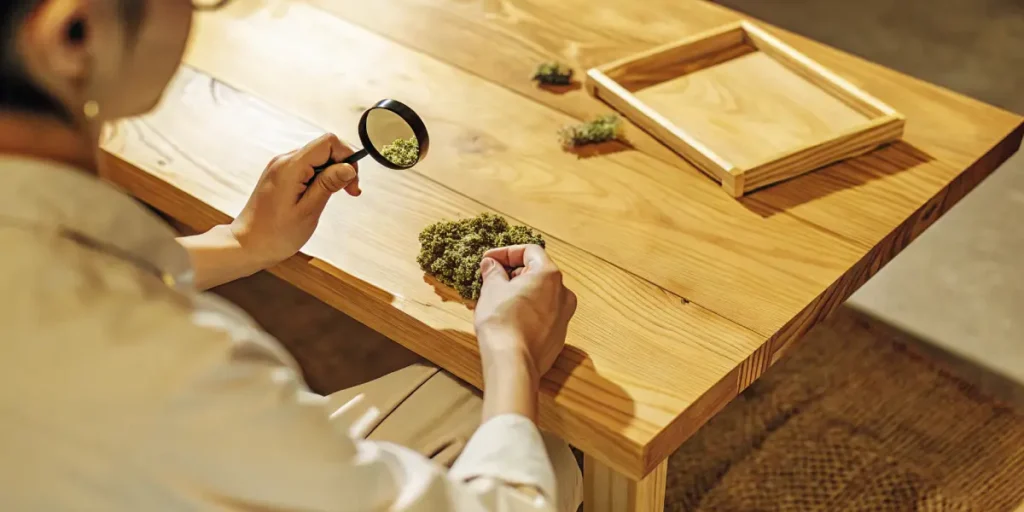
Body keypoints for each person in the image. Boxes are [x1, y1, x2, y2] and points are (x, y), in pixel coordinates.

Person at [0, 0, 582, 510]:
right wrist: (513, 351)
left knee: (458, 402)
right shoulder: (178, 364)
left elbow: (76, 273)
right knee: (542, 453)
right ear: (74, 33)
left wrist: (240, 242)